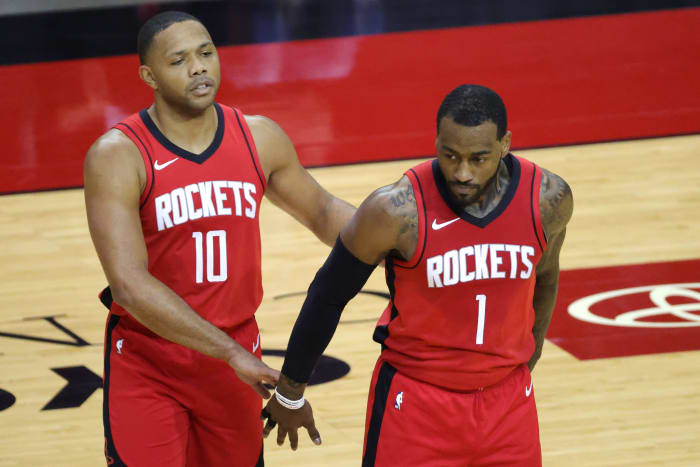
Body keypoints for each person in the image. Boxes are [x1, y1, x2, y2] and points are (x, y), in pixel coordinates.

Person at [83, 11, 355, 467]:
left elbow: (325, 212)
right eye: (179, 60)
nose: (198, 68)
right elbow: (129, 284)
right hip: (153, 361)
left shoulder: (258, 137)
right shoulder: (117, 155)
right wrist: (229, 353)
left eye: (206, 53)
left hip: (234, 357)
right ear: (148, 75)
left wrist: (401, 244)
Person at [262, 84, 573, 466]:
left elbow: (546, 278)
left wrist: (527, 362)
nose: (462, 172)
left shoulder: (547, 199)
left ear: (505, 144)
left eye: (479, 158)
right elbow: (328, 294)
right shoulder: (394, 210)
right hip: (417, 404)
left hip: (507, 404)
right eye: (450, 155)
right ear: (436, 141)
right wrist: (290, 391)